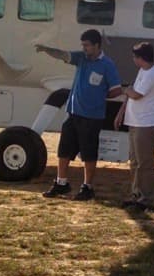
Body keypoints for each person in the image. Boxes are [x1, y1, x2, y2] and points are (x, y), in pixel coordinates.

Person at [34, 29, 121, 200]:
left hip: (92, 117)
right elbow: (63, 55)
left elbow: (116, 89)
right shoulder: (81, 58)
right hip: (73, 113)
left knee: (88, 153)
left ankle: (87, 187)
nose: (84, 48)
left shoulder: (107, 65)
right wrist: (46, 49)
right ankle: (61, 183)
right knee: (64, 150)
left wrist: (99, 97)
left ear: (97, 46)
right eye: (83, 45)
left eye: (87, 45)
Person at [114, 41, 154, 212]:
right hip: (136, 122)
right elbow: (132, 93)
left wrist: (124, 90)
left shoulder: (153, 74)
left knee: (145, 163)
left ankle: (147, 199)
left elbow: (135, 94)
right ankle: (137, 195)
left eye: (135, 57)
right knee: (135, 161)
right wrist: (121, 112)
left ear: (141, 58)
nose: (133, 60)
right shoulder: (143, 71)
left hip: (146, 123)